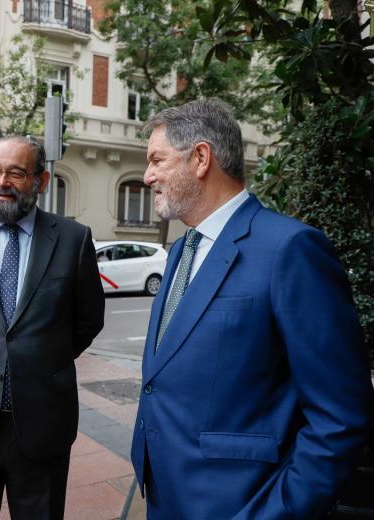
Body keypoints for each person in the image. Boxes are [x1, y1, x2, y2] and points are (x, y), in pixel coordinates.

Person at [131, 98, 374, 519]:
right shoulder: (180, 251)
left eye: (157, 160)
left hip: (244, 504)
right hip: (167, 493)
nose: (148, 175)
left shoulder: (291, 249)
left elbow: (341, 417)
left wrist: (276, 512)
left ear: (201, 158)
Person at [0, 135, 105, 519]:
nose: (1, 182)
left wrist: (40, 359)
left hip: (43, 420)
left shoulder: (73, 240)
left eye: (15, 173)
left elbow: (88, 319)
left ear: (41, 182)